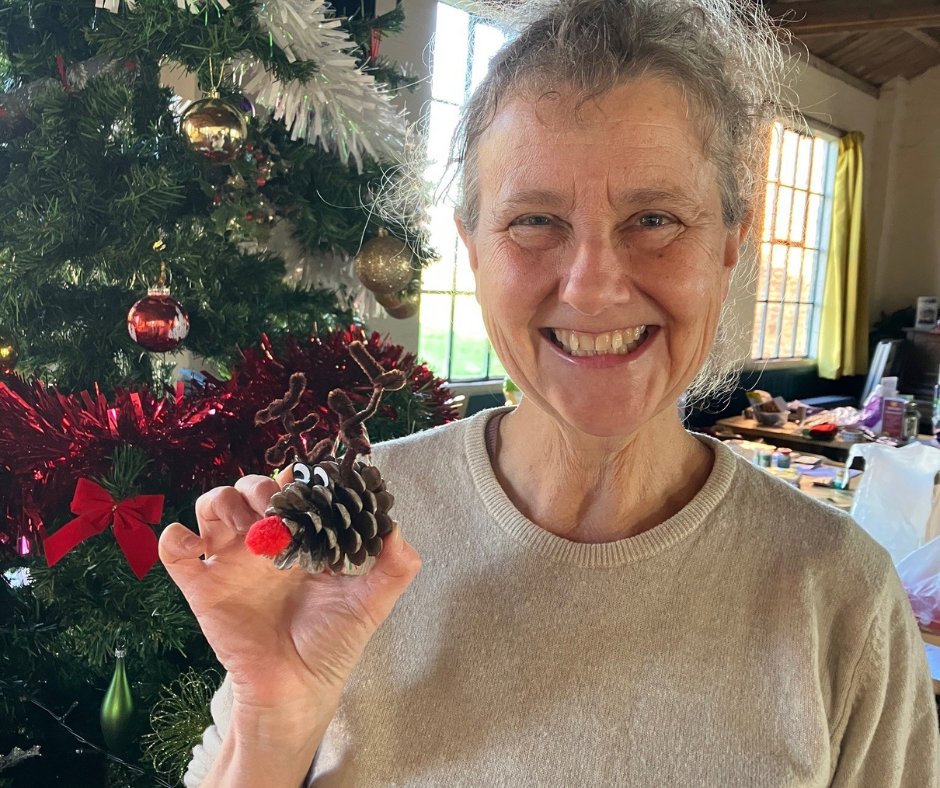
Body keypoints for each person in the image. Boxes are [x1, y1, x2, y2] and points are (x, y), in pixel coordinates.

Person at [160, 0, 940, 785]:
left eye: (655, 218)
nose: (593, 288)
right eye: (535, 220)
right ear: (472, 249)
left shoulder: (842, 597)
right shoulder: (340, 541)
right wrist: (274, 720)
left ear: (732, 243)